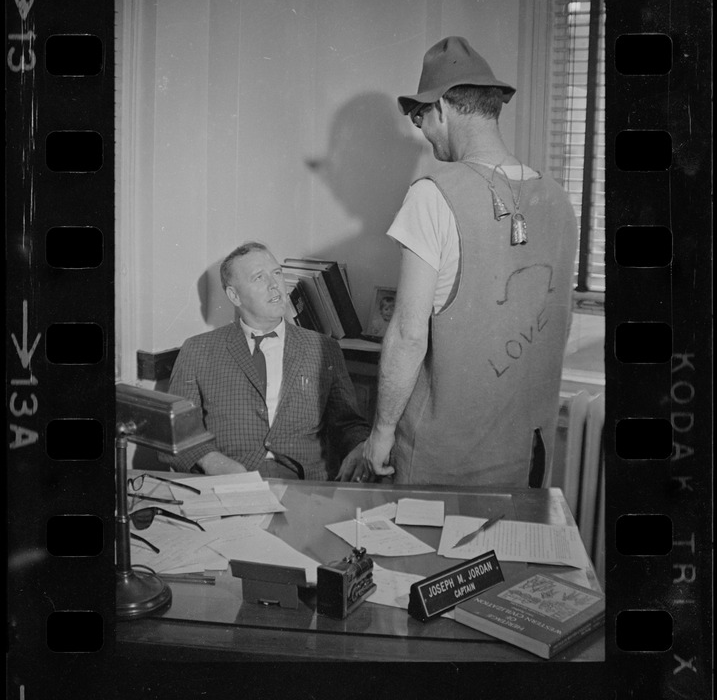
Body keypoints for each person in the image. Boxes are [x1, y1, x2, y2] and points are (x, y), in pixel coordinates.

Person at [363, 36, 578, 487]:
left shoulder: (432, 194)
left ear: (443, 107)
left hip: (444, 460)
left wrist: (381, 431)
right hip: (528, 455)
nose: (422, 129)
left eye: (420, 115)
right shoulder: (558, 199)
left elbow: (407, 333)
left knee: (425, 560)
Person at [162, 242, 370, 481]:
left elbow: (349, 423)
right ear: (234, 295)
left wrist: (360, 447)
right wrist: (212, 462)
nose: (275, 285)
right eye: (259, 278)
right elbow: (175, 430)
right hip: (229, 480)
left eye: (277, 273)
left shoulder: (323, 348)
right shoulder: (197, 350)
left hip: (306, 485)